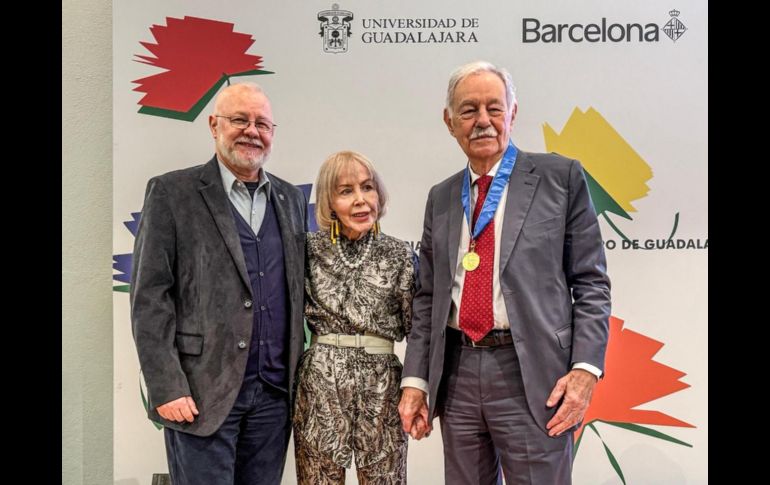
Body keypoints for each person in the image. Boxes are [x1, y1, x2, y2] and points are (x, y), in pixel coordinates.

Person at [398, 61, 611, 484]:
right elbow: (428, 298)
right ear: (449, 121)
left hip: (533, 373)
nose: (482, 121)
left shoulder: (560, 178)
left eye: (494, 109)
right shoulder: (441, 197)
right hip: (457, 372)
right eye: (469, 110)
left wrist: (585, 370)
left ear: (513, 113)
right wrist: (417, 380)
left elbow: (591, 282)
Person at [130, 82, 307, 485]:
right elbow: (150, 297)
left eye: (262, 123)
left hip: (274, 398)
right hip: (198, 394)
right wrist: (166, 386)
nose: (251, 130)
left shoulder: (289, 199)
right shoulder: (172, 193)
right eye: (239, 119)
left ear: (272, 133)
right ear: (214, 125)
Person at [293, 151, 416, 484]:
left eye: (368, 187)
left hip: (382, 385)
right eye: (346, 191)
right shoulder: (306, 249)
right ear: (329, 201)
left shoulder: (400, 253)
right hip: (320, 385)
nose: (361, 200)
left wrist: (416, 389)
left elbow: (417, 329)